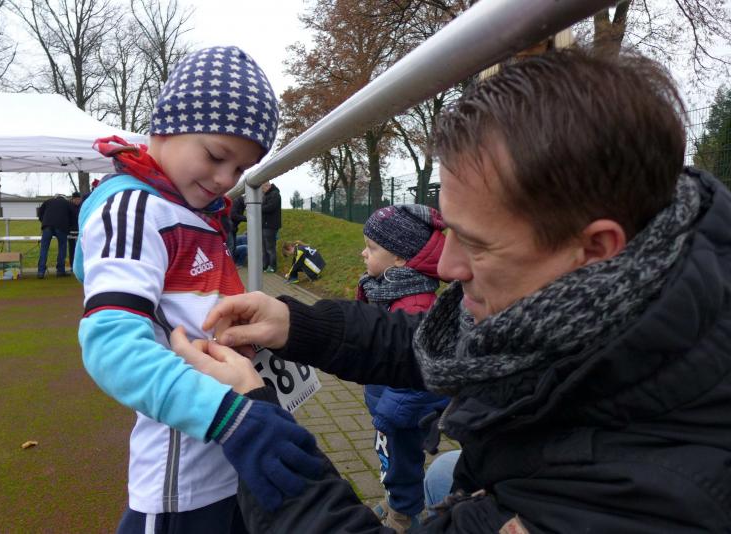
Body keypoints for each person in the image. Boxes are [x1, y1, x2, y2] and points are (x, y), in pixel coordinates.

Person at [192, 48, 731, 532]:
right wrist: (297, 324)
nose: (447, 267)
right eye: (448, 230)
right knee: (441, 475)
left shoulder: (637, 500)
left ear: (595, 249)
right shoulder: (625, 291)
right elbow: (438, 346)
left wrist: (251, 426)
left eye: (476, 243)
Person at [73, 46, 321, 534]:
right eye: (216, 156)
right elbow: (111, 346)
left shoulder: (194, 211)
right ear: (166, 125)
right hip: (183, 478)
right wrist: (228, 417)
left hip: (233, 457)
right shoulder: (135, 208)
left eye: (241, 169)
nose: (226, 180)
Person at [357, 204, 449, 531]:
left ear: (399, 258)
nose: (363, 253)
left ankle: (405, 515)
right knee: (390, 459)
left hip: (402, 410)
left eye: (372, 248)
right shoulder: (389, 291)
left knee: (403, 462)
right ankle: (396, 498)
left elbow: (420, 372)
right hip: (387, 403)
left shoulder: (415, 307)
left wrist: (391, 412)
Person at [36, 194, 73, 278]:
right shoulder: (67, 203)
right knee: (62, 248)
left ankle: (40, 272)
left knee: (44, 249)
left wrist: (44, 222)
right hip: (61, 227)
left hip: (47, 226)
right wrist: (69, 226)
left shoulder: (48, 201)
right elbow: (72, 215)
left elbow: (40, 213)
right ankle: (60, 270)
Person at [261, 181, 281, 272]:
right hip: (265, 225)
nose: (262, 191)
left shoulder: (275, 194)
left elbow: (271, 207)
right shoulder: (267, 195)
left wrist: (258, 208)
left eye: (262, 189)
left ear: (267, 186)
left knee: (270, 248)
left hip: (270, 225)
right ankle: (265, 266)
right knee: (264, 247)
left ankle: (272, 267)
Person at [67, 192, 82, 273]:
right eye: (76, 199)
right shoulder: (69, 207)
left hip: (80, 231)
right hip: (71, 231)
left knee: (80, 249)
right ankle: (72, 266)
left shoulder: (82, 207)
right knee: (72, 249)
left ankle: (80, 266)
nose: (77, 201)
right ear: (72, 199)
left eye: (79, 199)